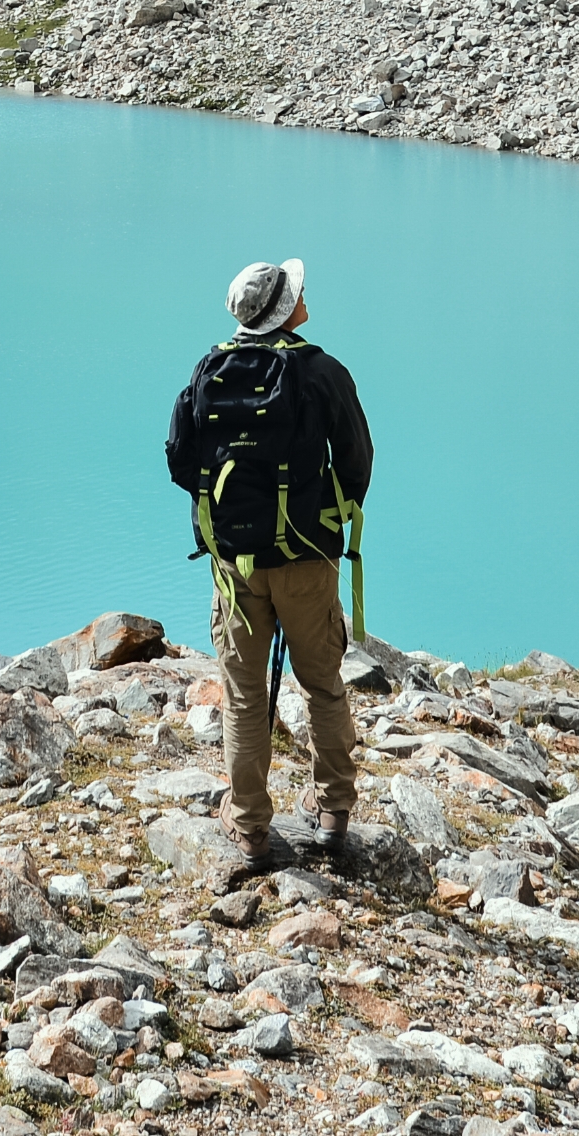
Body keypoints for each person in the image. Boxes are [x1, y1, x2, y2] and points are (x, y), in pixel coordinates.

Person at [165, 256, 374, 877]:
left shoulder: (210, 369)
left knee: (243, 695)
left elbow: (180, 459)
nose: (305, 295)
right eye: (297, 292)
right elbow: (358, 458)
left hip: (236, 566)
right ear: (285, 310)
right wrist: (325, 512)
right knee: (323, 685)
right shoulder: (322, 371)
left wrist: (235, 515)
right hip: (308, 559)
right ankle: (332, 812)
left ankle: (250, 825)